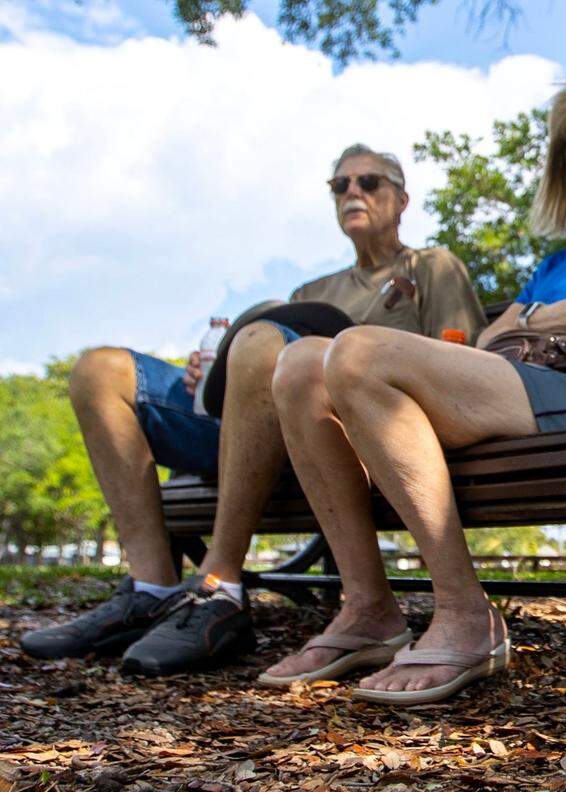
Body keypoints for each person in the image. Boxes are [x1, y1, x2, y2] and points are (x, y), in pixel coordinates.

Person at [260, 75, 566, 703]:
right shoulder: (555, 263)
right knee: (302, 362)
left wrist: (557, 323)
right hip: (524, 385)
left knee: (355, 351)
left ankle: (467, 615)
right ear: (565, 164)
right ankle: (367, 608)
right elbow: (493, 337)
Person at [20, 146, 487, 676]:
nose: (353, 192)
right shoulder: (312, 290)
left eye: (370, 182)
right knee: (99, 371)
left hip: (348, 425)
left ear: (402, 200)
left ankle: (218, 587)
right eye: (341, 185)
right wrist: (214, 374)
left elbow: (456, 363)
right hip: (262, 427)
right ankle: (150, 588)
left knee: (263, 343)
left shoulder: (433, 266)